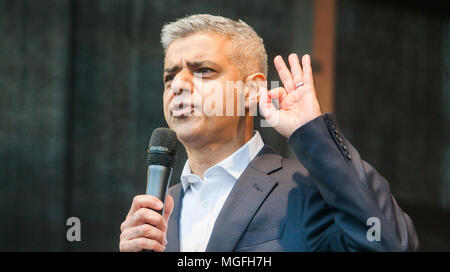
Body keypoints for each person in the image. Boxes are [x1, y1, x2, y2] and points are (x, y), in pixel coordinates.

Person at [119, 14, 419, 252]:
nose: (178, 85)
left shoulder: (304, 190)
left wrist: (314, 134)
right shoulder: (156, 214)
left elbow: (390, 244)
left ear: (252, 91)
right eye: (169, 76)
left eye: (203, 71)